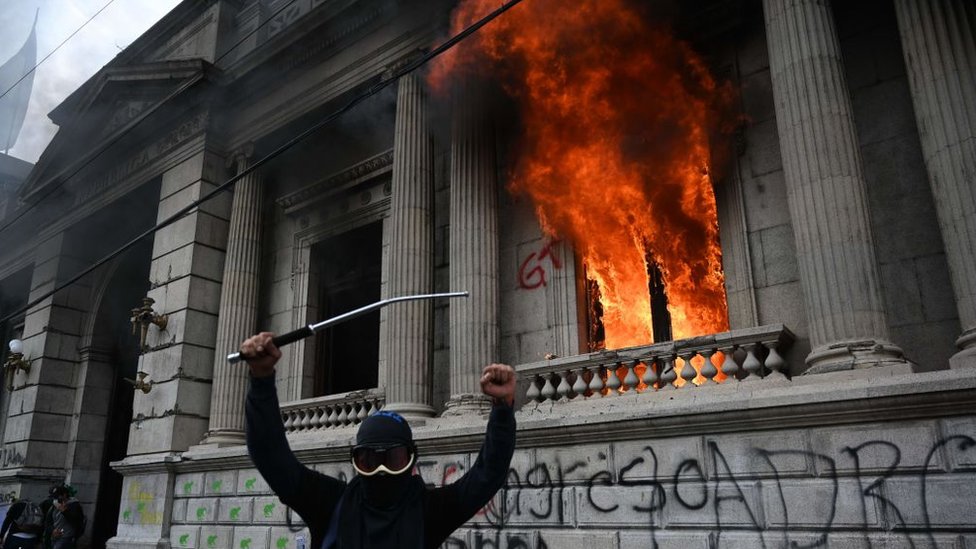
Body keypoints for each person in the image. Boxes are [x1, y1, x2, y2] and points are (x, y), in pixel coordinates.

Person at [240, 332, 517, 549]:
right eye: (370, 460)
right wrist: (261, 379)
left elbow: (487, 476)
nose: (382, 471)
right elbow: (271, 458)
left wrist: (503, 408)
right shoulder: (330, 503)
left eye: (393, 459)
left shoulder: (430, 511)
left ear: (410, 459)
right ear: (356, 461)